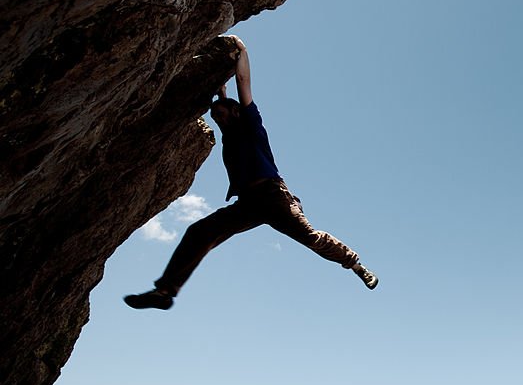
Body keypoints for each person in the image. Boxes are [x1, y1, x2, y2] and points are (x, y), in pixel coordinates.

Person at [124, 35, 377, 310]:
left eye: (222, 114)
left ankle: (355, 264)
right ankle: (164, 292)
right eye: (215, 117)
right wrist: (219, 87)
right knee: (200, 232)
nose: (218, 119)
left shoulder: (251, 124)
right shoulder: (229, 136)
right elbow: (223, 93)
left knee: (311, 238)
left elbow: (242, 83)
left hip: (274, 197)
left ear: (235, 113)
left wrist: (242, 51)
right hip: (247, 204)